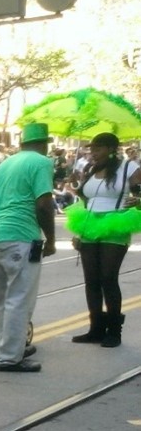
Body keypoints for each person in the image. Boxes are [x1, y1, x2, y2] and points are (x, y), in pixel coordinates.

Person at [0, 122, 56, 373]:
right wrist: (51, 239)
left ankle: (7, 348)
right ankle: (10, 357)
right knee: (19, 298)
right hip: (20, 235)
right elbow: (44, 203)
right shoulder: (41, 163)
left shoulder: (4, 165)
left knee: (2, 298)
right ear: (44, 144)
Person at [65, 131, 141, 347]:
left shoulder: (129, 167)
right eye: (91, 149)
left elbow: (140, 192)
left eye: (98, 148)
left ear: (110, 149)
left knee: (108, 277)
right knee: (92, 280)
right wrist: (77, 185)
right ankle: (96, 328)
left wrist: (137, 199)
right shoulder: (90, 169)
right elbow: (86, 199)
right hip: (89, 224)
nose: (93, 153)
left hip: (116, 223)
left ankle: (114, 331)